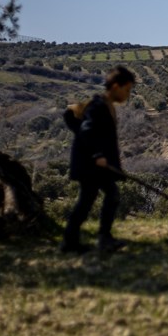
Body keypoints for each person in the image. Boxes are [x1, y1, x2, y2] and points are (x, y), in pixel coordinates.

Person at [61, 65, 136, 254]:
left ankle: (77, 241)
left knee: (95, 198)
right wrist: (98, 155)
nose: (127, 95)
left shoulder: (104, 105)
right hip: (92, 164)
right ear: (116, 86)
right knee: (106, 196)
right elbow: (87, 130)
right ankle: (99, 239)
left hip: (95, 164)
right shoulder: (98, 106)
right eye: (127, 90)